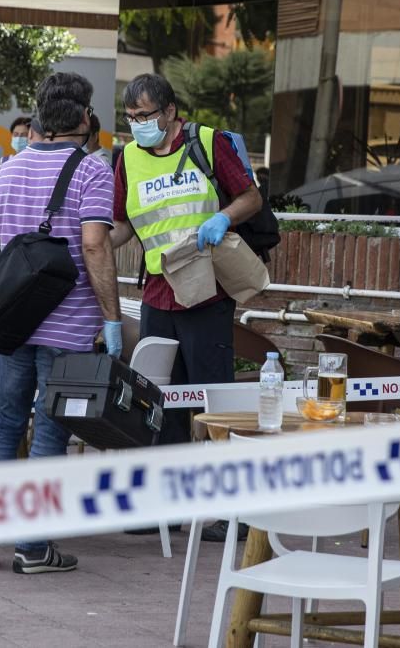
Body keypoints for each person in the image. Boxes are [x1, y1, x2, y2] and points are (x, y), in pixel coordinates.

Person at [0, 72, 121, 574]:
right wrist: (112, 318)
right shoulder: (94, 171)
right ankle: (34, 548)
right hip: (70, 328)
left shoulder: (5, 170)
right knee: (51, 431)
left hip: (13, 326)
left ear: (36, 121)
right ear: (84, 119)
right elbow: (96, 244)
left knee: (4, 425)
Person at [110, 73, 261, 542]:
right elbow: (120, 227)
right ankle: (166, 505)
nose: (138, 126)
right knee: (159, 400)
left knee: (213, 399)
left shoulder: (209, 143)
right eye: (131, 118)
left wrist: (223, 216)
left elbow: (251, 197)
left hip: (206, 292)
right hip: (158, 294)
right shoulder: (128, 158)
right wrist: (84, 245)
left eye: (146, 116)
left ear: (171, 112)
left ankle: (225, 511)